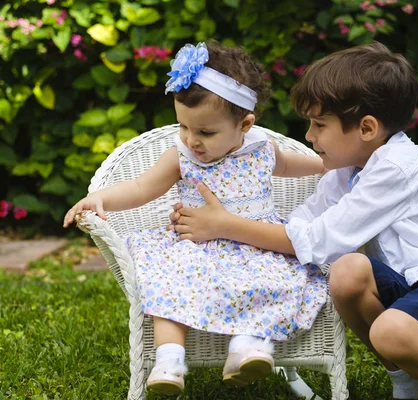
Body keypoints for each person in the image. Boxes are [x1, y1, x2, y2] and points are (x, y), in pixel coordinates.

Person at [167, 42, 418, 400]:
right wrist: (236, 227)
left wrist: (225, 225)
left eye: (319, 124)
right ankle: (411, 384)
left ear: (366, 128)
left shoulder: (396, 168)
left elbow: (317, 240)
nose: (309, 136)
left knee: (388, 329)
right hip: (414, 295)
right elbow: (300, 226)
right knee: (348, 273)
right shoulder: (345, 172)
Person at [63, 41, 328, 395]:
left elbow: (304, 165)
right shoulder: (181, 156)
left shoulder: (264, 151)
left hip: (257, 242)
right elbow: (141, 188)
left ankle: (246, 347)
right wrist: (100, 198)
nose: (192, 140)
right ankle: (169, 361)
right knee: (170, 279)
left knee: (278, 277)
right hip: (196, 246)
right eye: (183, 127)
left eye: (205, 132)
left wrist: (333, 164)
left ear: (244, 124)